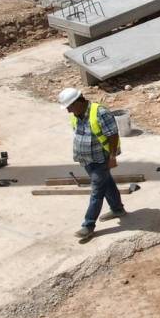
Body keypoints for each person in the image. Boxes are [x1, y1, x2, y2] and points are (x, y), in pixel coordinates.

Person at [59, 87, 124, 243]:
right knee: (106, 183)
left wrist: (112, 157)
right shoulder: (76, 114)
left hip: (101, 159)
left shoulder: (100, 112)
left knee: (97, 191)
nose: (68, 111)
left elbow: (113, 134)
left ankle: (88, 225)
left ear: (79, 101)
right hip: (86, 159)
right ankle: (117, 209)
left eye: (70, 106)